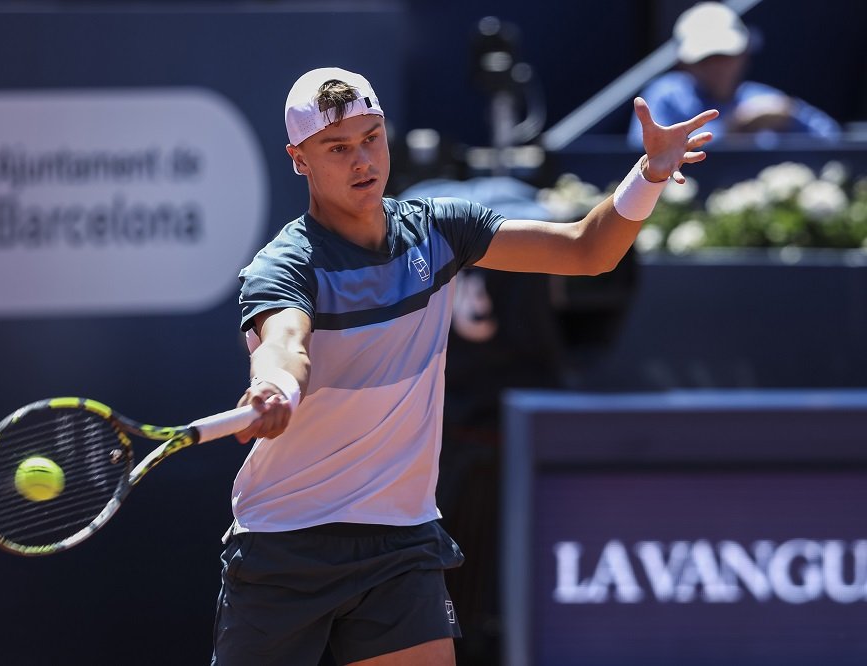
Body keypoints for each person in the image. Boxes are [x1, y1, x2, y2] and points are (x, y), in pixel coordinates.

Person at [213, 66, 715, 666]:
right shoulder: (285, 265)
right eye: (337, 148)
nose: (362, 160)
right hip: (284, 546)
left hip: (400, 541)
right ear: (300, 160)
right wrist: (273, 387)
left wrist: (650, 172)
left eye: (371, 138)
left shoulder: (439, 231)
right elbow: (284, 343)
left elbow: (587, 251)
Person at [628, 1, 841, 147]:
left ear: (744, 55)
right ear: (686, 63)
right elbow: (644, 157)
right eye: (706, 59)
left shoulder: (763, 98)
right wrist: (733, 128)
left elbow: (834, 138)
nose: (718, 66)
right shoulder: (666, 95)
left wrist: (790, 116)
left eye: (727, 56)